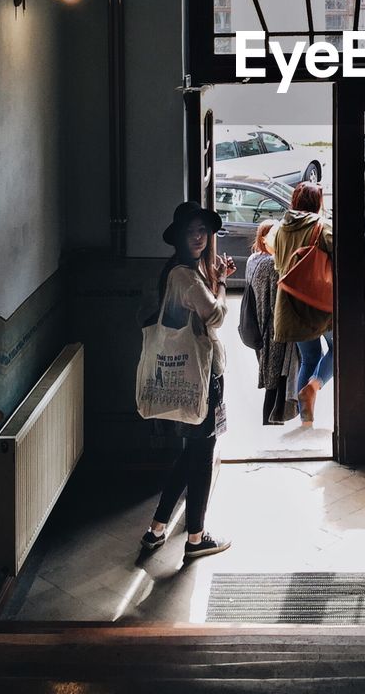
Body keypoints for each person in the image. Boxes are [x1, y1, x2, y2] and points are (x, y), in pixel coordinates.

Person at [140, 200, 235, 558]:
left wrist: (212, 278)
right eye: (192, 231)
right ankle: (196, 537)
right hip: (201, 376)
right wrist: (222, 284)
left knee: (190, 453)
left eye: (203, 231)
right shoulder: (183, 274)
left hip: (189, 373)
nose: (199, 237)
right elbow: (214, 315)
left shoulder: (180, 271)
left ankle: (157, 529)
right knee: (202, 455)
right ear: (179, 235)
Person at [271, 181, 334, 425]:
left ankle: (305, 420)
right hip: (321, 303)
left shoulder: (280, 229)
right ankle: (314, 385)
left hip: (291, 305)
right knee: (339, 349)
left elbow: (279, 266)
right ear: (319, 203)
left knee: (309, 357)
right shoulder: (322, 227)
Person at [241, 220, 301, 425]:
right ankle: (272, 426)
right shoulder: (271, 264)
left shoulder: (252, 259)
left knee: (272, 382)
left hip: (256, 328)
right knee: (277, 382)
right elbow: (278, 303)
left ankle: (272, 424)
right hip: (273, 331)